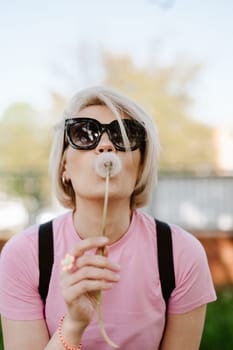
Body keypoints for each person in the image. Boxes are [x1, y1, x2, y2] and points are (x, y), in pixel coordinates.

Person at [0, 86, 216, 350]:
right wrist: (74, 325)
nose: (105, 145)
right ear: (64, 165)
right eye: (83, 133)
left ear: (140, 166)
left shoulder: (181, 253)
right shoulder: (24, 254)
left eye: (123, 135)